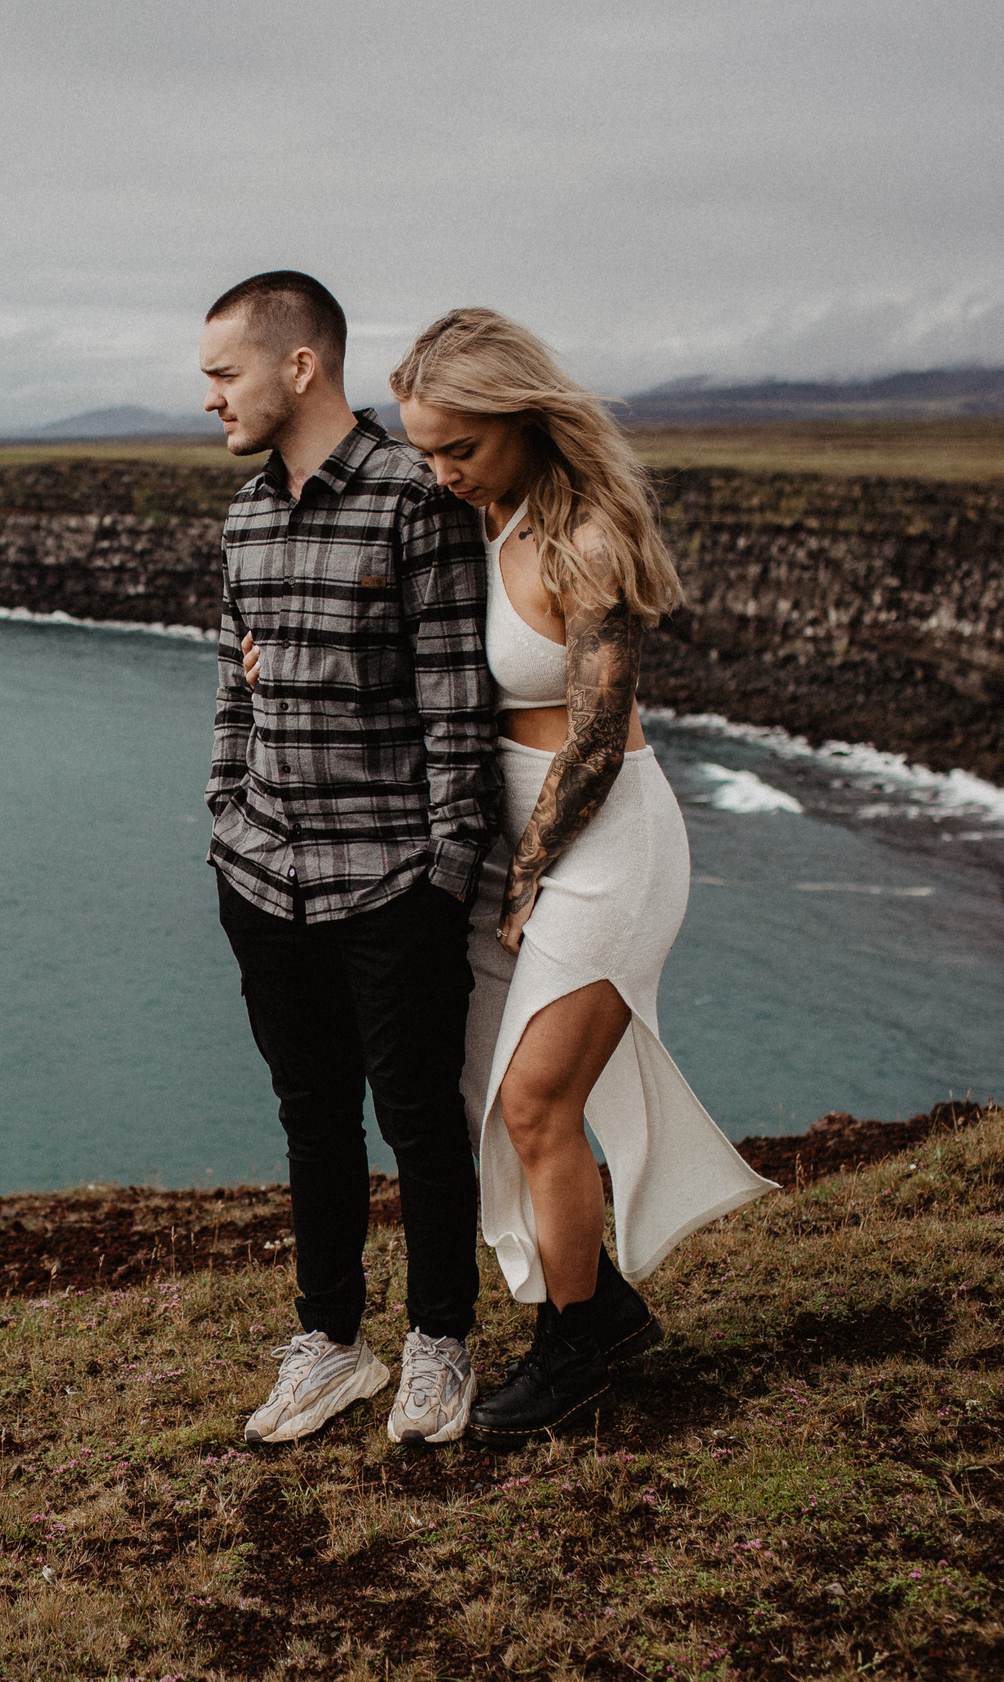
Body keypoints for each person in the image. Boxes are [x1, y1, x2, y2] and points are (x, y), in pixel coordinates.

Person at [383, 308, 777, 1449]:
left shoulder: (585, 539)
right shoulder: (472, 520)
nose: (442, 473)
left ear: (521, 417)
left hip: (603, 843)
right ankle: (599, 1305)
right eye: (425, 451)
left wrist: (525, 876)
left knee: (535, 1099)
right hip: (512, 840)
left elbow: (598, 738)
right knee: (482, 1093)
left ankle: (573, 1351)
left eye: (461, 447)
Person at [198, 271, 496, 1447]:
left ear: (299, 365)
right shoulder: (243, 518)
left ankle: (439, 1345)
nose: (210, 398)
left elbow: (457, 709)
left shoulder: (414, 501)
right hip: (263, 875)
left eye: (224, 374)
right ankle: (331, 1344)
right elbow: (234, 689)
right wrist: (225, 814)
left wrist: (445, 876)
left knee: (418, 1122)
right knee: (310, 1117)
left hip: (389, 881)